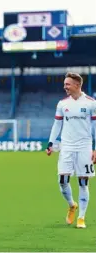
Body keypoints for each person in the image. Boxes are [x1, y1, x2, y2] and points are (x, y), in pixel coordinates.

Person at [46, 72, 96, 229]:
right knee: (62, 181)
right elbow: (57, 125)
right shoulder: (62, 104)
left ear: (77, 85)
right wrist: (51, 143)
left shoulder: (91, 103)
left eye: (67, 84)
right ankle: (71, 205)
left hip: (84, 146)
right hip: (67, 146)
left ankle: (81, 217)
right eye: (64, 84)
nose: (64, 86)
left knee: (83, 182)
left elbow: (95, 127)